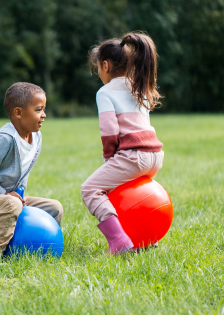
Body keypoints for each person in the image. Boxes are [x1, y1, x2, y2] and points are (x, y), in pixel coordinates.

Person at [82, 32, 164, 255]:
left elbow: (109, 132)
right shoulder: (140, 86)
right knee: (129, 190)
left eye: (98, 67)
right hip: (155, 156)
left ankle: (118, 241)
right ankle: (147, 237)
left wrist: (109, 158)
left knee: (90, 189)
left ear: (105, 65)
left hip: (133, 156)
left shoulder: (105, 92)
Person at [0, 82, 63, 257]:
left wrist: (19, 194)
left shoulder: (37, 137)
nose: (44, 115)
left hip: (10, 199)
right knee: (12, 203)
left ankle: (47, 249)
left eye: (44, 109)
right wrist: (3, 194)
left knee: (54, 207)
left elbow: (24, 171)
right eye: (38, 110)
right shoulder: (5, 139)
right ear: (18, 113)